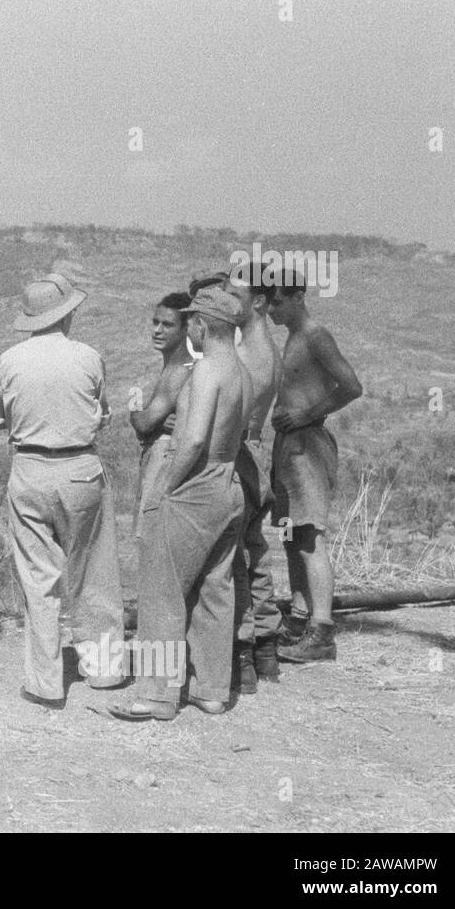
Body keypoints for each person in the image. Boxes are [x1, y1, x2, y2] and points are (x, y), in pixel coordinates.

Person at [110, 287, 251, 721]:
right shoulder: (241, 372)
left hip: (198, 483)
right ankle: (211, 689)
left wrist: (165, 488)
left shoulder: (207, 370)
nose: (187, 325)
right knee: (215, 586)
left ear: (203, 324)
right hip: (230, 482)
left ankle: (156, 695)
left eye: (190, 319)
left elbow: (191, 439)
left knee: (161, 589)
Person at [0, 274, 125, 710]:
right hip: (80, 468)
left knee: (38, 578)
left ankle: (45, 682)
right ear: (66, 313)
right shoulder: (88, 356)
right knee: (93, 571)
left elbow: (1, 417)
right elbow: (101, 411)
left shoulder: (10, 359)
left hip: (29, 468)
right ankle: (104, 669)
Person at [267, 267, 363, 663]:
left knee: (310, 537)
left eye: (276, 300)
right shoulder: (292, 339)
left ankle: (322, 632)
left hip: (308, 445)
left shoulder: (314, 336)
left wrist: (308, 415)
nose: (270, 308)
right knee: (292, 536)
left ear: (296, 297)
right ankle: (300, 616)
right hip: (289, 447)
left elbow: (352, 386)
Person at [223, 268, 284, 690]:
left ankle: (242, 653)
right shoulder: (267, 348)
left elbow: (232, 416)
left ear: (259, 302)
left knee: (236, 559)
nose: (229, 303)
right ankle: (265, 651)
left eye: (236, 296)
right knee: (256, 554)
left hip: (239, 454)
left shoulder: (249, 354)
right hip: (254, 455)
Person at [129, 293, 193, 540]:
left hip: (163, 457)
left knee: (150, 535)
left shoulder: (179, 369)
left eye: (167, 325)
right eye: (155, 322)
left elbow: (143, 422)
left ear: (186, 328)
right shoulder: (171, 365)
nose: (157, 330)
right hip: (159, 451)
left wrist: (136, 410)